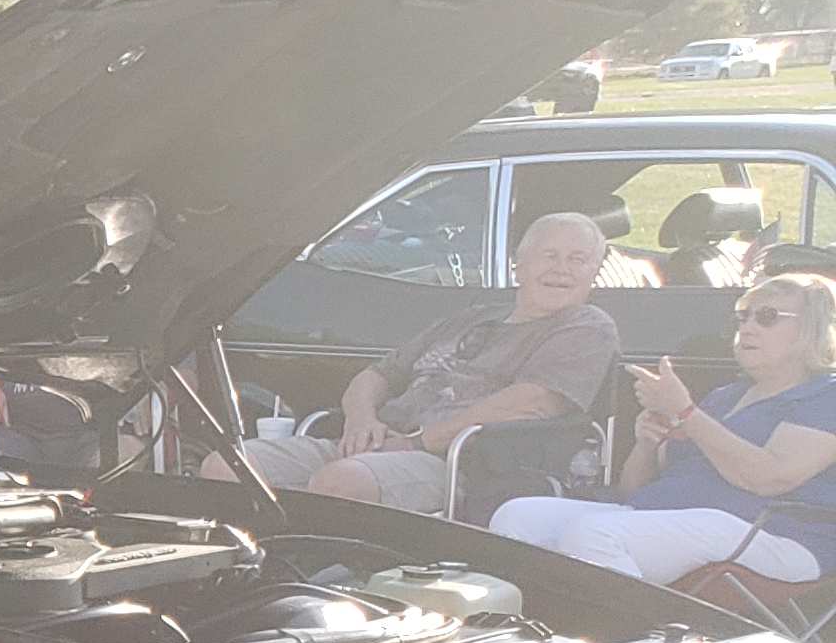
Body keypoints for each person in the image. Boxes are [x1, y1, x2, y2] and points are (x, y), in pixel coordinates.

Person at [207, 211, 619, 514]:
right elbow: (373, 376)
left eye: (578, 259)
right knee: (225, 466)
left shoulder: (586, 327)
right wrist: (360, 423)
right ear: (519, 264)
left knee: (339, 482)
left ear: (595, 271)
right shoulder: (471, 317)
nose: (561, 270)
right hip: (378, 445)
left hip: (461, 465)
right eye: (549, 256)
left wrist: (417, 441)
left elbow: (531, 403)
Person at [489, 272, 836, 587]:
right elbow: (633, 491)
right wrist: (646, 445)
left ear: (816, 329)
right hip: (677, 517)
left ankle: (627, 633)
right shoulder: (724, 397)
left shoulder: (825, 395)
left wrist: (685, 412)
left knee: (595, 536)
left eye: (768, 317)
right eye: (744, 317)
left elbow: (770, 478)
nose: (747, 328)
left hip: (778, 535)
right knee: (516, 518)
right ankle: (543, 624)